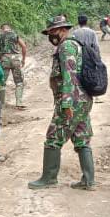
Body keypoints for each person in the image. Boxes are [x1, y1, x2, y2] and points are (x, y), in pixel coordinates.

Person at [28, 16, 96, 190]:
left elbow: (69, 74)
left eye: (53, 31)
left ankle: (48, 178)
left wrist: (66, 102)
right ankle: (88, 181)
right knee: (81, 138)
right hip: (83, 99)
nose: (51, 35)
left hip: (72, 99)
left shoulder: (66, 46)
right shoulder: (76, 45)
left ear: (63, 29)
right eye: (49, 32)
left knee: (53, 137)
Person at [0, 23, 28, 108]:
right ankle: (19, 102)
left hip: (4, 60)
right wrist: (23, 59)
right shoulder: (15, 35)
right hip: (16, 60)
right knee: (19, 82)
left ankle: (1, 103)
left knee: (1, 82)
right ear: (10, 28)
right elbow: (24, 46)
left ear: (1, 29)